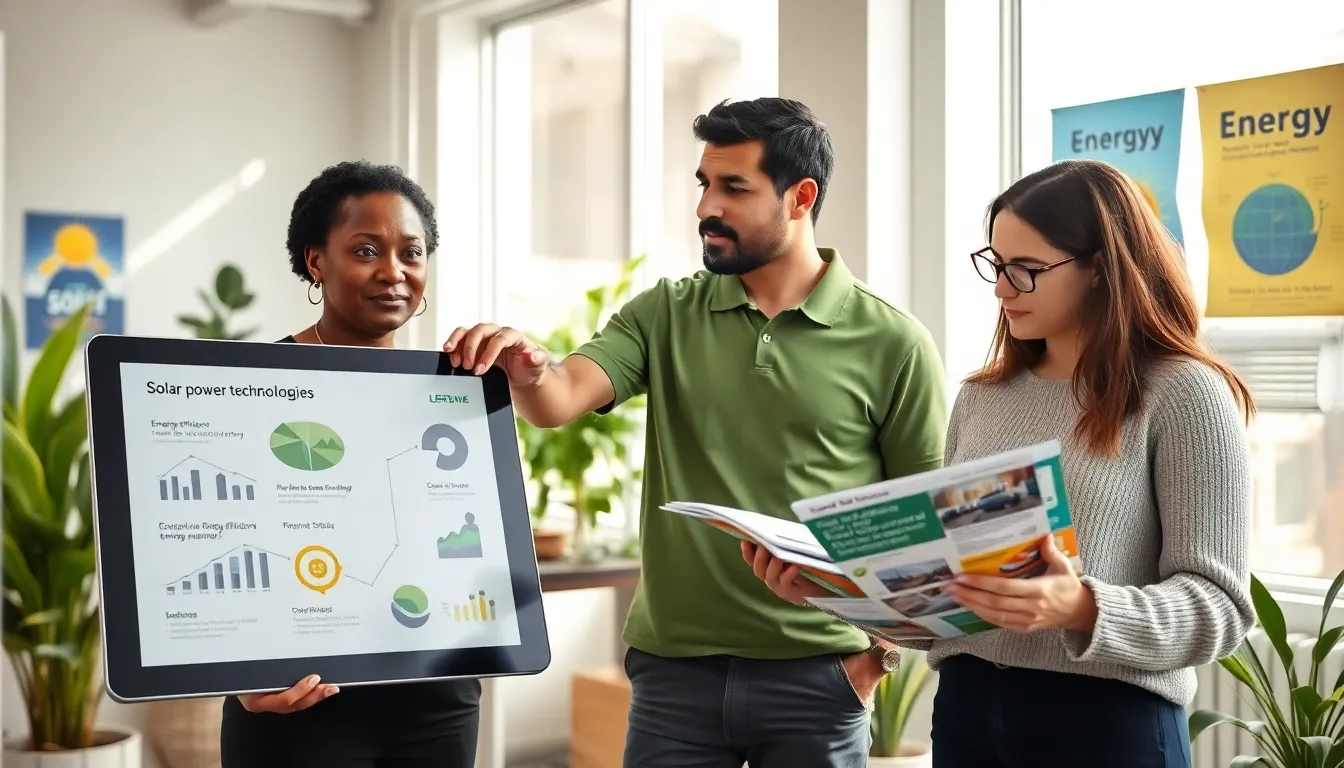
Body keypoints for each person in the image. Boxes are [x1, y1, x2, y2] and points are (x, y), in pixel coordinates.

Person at [444, 97, 949, 767]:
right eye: (704, 183)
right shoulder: (665, 313)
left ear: (800, 198)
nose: (706, 206)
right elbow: (557, 398)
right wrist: (528, 368)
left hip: (821, 677)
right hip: (674, 678)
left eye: (734, 187)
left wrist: (874, 661)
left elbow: (923, 527)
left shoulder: (894, 342)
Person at [746, 158, 1256, 767]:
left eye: (1026, 269)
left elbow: (1220, 608)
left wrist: (1080, 607)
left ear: (1102, 268)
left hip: (1108, 724)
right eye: (996, 263)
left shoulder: (1184, 393)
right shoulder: (982, 397)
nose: (1001, 288)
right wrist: (828, 589)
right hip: (967, 715)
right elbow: (946, 606)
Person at [219, 160, 482, 768]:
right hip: (295, 700)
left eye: (411, 253)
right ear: (316, 262)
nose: (393, 271)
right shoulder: (245, 387)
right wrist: (236, 673)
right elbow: (219, 536)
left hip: (435, 698)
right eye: (366, 250)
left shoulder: (453, 390)